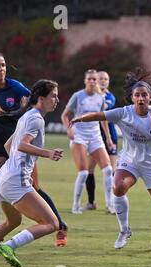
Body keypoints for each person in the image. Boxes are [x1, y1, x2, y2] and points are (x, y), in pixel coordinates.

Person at [69, 69, 151, 253]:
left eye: (144, 94)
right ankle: (124, 230)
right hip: (130, 161)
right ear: (132, 97)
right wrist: (80, 118)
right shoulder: (122, 113)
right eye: (137, 95)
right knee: (118, 186)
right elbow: (100, 115)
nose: (141, 98)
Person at [0, 52, 68, 247]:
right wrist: (48, 153)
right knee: (50, 223)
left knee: (13, 221)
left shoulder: (23, 106)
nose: (56, 101)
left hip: (5, 175)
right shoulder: (35, 118)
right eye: (54, 97)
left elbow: (11, 145)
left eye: (4, 65)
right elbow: (22, 144)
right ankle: (9, 247)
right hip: (12, 169)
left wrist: (16, 165)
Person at [61, 69, 115, 214]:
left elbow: (102, 118)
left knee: (108, 169)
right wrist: (69, 129)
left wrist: (108, 138)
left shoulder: (100, 97)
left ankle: (110, 205)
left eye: (94, 79)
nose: (92, 82)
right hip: (79, 136)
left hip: (95, 136)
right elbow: (65, 115)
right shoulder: (78, 96)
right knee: (84, 172)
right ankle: (75, 205)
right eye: (89, 79)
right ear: (85, 81)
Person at [84, 71, 118, 211]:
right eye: (100, 79)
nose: (103, 81)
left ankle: (112, 203)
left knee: (112, 170)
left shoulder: (109, 97)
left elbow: (101, 110)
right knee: (89, 169)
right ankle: (91, 202)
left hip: (109, 136)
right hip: (93, 136)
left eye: (106, 79)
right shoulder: (88, 96)